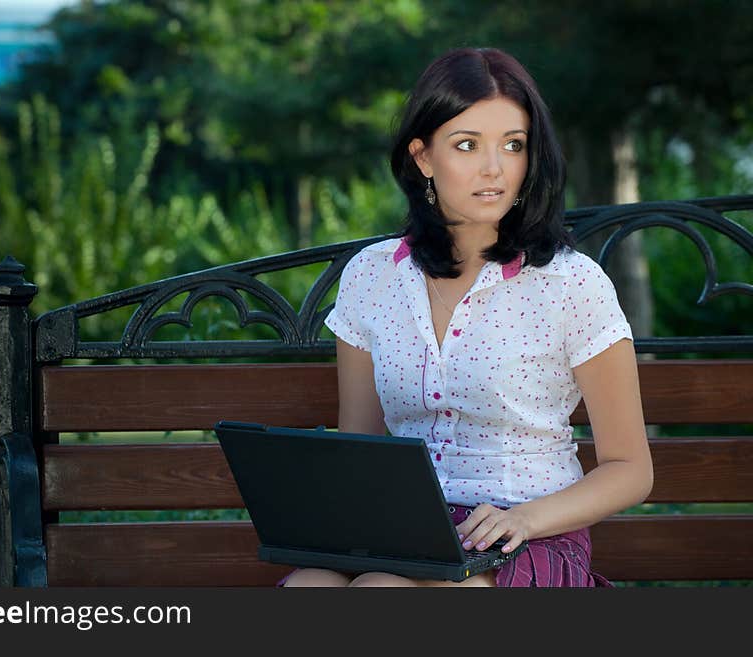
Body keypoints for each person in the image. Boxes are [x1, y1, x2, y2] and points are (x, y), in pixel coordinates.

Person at [280, 47, 653, 587]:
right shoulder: (370, 277)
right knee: (308, 589)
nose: (494, 168)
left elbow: (630, 469)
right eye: (466, 145)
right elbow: (360, 448)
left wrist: (523, 518)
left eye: (513, 145)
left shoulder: (571, 285)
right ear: (423, 157)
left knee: (382, 595)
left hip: (529, 534)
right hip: (407, 532)